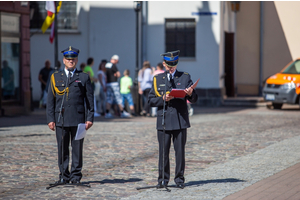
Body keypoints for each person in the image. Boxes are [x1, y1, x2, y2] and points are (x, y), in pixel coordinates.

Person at [148, 50, 198, 189]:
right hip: (163, 120)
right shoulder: (157, 79)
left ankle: (179, 179)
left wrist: (191, 93)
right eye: (169, 64)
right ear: (164, 64)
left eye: (174, 64)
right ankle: (163, 180)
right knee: (163, 152)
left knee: (180, 152)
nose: (172, 67)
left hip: (180, 119)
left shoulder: (185, 77)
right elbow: (150, 100)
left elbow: (194, 99)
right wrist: (162, 99)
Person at [47, 46, 94, 184]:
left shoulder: (83, 77)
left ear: (77, 60)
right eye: (68, 59)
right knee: (62, 148)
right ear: (64, 60)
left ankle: (75, 176)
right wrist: (50, 119)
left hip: (79, 119)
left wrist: (90, 118)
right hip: (60, 118)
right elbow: (50, 100)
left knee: (77, 148)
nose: (70, 61)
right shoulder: (56, 77)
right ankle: (63, 175)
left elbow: (90, 100)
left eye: (73, 59)